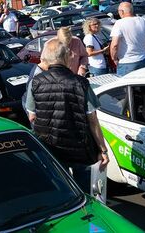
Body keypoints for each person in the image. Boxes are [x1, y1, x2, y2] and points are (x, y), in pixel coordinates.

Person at [28, 39, 109, 193]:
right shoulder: (81, 83)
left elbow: (32, 117)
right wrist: (103, 150)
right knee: (85, 190)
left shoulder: (36, 82)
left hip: (51, 147)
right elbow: (92, 120)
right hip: (80, 148)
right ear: (66, 58)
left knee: (62, 189)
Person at [110, 2, 145, 76]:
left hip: (127, 62)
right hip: (144, 59)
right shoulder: (143, 21)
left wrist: (114, 58)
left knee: (126, 86)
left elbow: (114, 45)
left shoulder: (119, 23)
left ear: (121, 12)